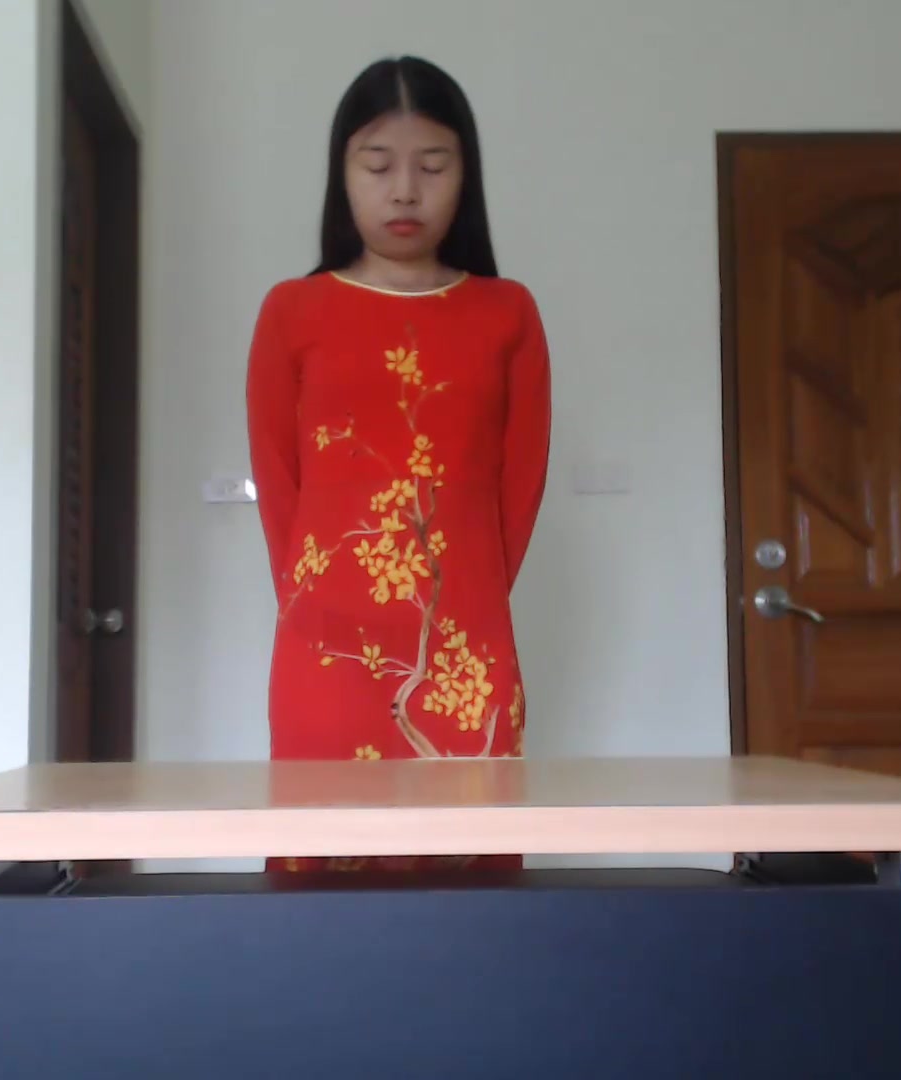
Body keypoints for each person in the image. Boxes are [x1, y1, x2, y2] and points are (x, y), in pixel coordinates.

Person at [244, 56, 551, 873]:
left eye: (433, 166)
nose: (406, 191)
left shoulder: (507, 313)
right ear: (342, 174)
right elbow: (280, 490)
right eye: (378, 166)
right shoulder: (292, 310)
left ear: (466, 176)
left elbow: (518, 491)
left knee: (467, 877)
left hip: (465, 644)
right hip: (324, 648)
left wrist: (464, 603)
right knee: (319, 873)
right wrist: (319, 606)